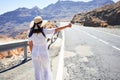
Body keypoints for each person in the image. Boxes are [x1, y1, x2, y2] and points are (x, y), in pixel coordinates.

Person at [28, 16, 72, 80]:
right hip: (43, 52)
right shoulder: (45, 31)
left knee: (37, 70)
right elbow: (56, 29)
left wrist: (33, 53)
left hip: (34, 53)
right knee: (46, 69)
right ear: (41, 24)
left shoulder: (30, 33)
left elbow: (30, 45)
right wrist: (67, 26)